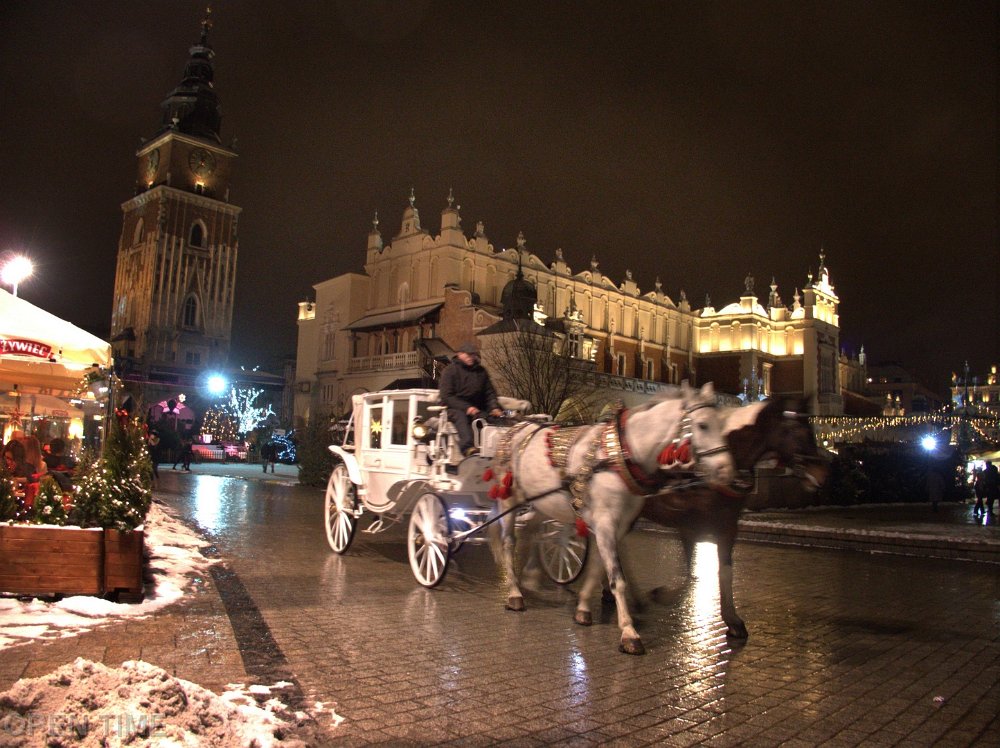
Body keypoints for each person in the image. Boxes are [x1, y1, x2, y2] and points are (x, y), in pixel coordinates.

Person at [439, 341, 503, 457]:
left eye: (473, 354)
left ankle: (499, 448)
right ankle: (468, 448)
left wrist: (494, 407)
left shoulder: (481, 372)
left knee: (497, 418)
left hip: (477, 408)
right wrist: (467, 408)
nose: (471, 357)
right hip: (453, 408)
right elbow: (447, 396)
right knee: (461, 418)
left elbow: (489, 393)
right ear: (460, 354)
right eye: (468, 354)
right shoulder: (450, 371)